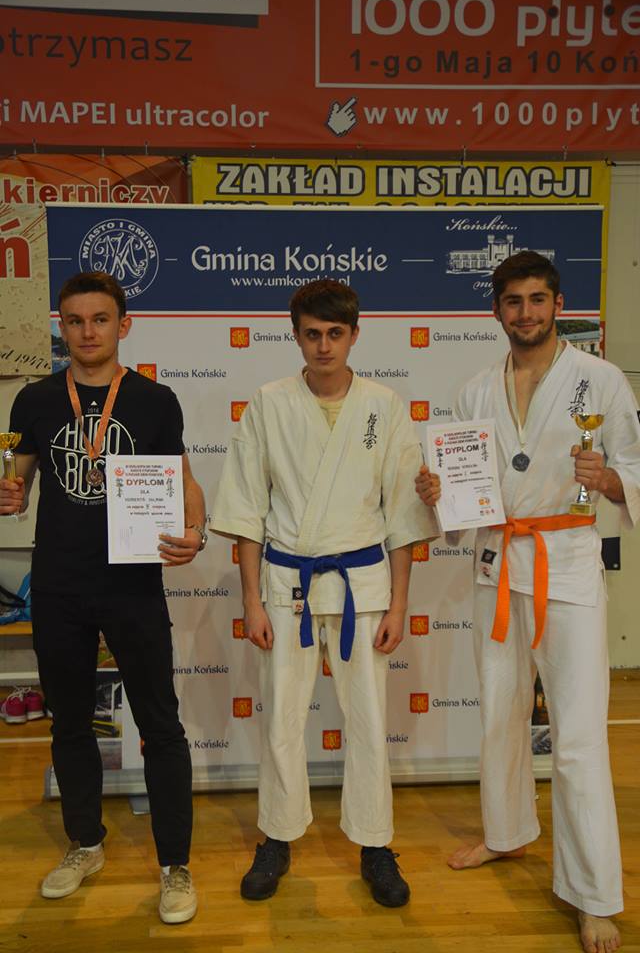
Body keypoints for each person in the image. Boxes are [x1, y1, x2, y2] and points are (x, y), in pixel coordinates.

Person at [416, 250, 640, 953]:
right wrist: (440, 496)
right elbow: (466, 502)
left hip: (565, 567)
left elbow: (630, 470)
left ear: (558, 304)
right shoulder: (475, 391)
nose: (526, 312)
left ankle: (593, 894)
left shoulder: (600, 380)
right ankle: (507, 833)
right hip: (495, 563)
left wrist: (606, 481)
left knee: (577, 737)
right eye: (513, 301)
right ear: (496, 310)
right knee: (500, 716)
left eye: (538, 299)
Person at [211, 278, 437, 907]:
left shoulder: (384, 406)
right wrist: (251, 601)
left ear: (355, 334)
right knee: (282, 718)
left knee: (368, 718)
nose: (324, 346)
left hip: (363, 584)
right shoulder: (268, 404)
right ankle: (277, 836)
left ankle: (375, 843)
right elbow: (247, 512)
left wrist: (399, 604)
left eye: (336, 333)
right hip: (288, 584)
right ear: (296, 335)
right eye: (312, 334)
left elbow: (402, 516)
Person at [0, 271, 208, 925]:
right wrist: (9, 493)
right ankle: (85, 843)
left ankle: (175, 864)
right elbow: (18, 481)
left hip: (132, 584)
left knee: (161, 725)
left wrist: (196, 529)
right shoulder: (34, 399)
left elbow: (182, 479)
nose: (87, 331)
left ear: (123, 324)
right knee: (69, 724)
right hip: (59, 586)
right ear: (60, 327)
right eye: (74, 321)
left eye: (99, 319)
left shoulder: (154, 400)